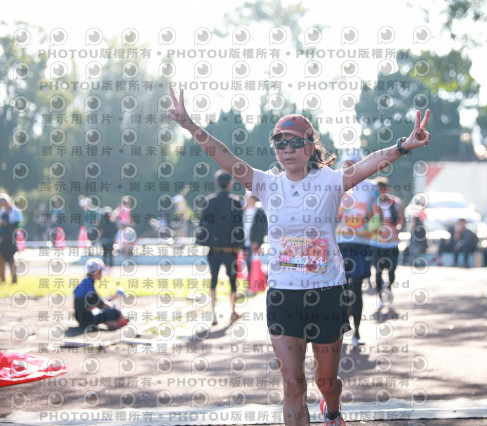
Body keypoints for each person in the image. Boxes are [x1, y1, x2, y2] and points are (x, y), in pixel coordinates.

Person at [167, 87, 431, 426]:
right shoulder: (266, 184)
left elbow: (370, 163)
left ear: (309, 146)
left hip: (327, 291)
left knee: (326, 382)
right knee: (292, 384)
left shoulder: (331, 182)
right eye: (280, 143)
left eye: (294, 142)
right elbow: (224, 155)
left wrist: (404, 145)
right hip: (283, 294)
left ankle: (332, 410)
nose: (287, 149)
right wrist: (190, 125)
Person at [336, 153, 376, 348]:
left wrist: (373, 225)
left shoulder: (370, 187)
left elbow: (377, 215)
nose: (349, 168)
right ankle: (342, 327)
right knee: (341, 288)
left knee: (357, 287)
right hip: (340, 244)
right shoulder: (335, 185)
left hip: (361, 244)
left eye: (353, 164)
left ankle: (357, 332)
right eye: (346, 164)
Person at [198, 170, 245, 326]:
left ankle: (213, 313)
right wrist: (241, 245)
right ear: (230, 183)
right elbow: (239, 226)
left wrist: (204, 242)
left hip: (214, 248)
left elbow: (203, 225)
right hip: (231, 249)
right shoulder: (236, 202)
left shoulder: (209, 201)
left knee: (213, 279)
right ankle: (233, 311)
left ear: (217, 183)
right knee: (232, 280)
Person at [370, 177, 405, 309]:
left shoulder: (396, 203)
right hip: (377, 244)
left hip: (392, 244)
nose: (379, 193)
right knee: (378, 271)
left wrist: (397, 229)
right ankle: (380, 295)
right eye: (377, 190)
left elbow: (401, 221)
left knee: (391, 270)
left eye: (381, 190)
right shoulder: (373, 204)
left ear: (387, 189)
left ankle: (389, 288)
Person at [73, 258, 128, 330]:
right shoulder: (89, 286)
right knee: (115, 311)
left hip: (82, 318)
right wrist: (114, 300)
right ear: (96, 272)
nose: (102, 274)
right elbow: (103, 304)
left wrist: (113, 298)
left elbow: (97, 302)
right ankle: (121, 322)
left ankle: (116, 322)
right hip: (86, 321)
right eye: (101, 272)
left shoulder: (85, 282)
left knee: (111, 306)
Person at [243, 193, 268, 277]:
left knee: (252, 262)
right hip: (244, 242)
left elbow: (262, 228)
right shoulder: (244, 211)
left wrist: (257, 241)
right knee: (245, 262)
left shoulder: (260, 212)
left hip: (254, 242)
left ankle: (253, 280)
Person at [0, 194, 23, 284]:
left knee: (10, 258)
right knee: (1, 258)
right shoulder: (2, 212)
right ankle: (3, 279)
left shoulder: (15, 211)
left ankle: (14, 279)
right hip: (2, 238)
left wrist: (7, 224)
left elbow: (18, 225)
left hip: (11, 238)